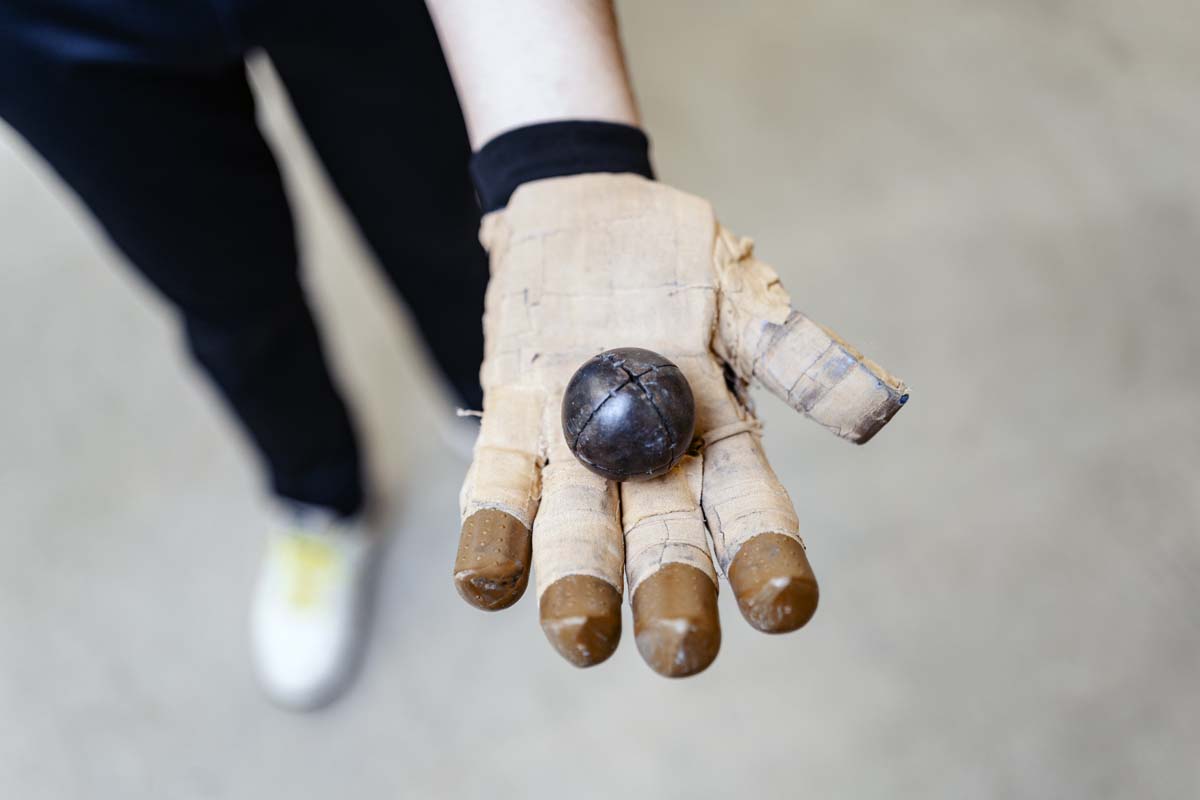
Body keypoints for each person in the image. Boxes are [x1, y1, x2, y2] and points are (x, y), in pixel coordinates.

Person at [0, 0, 906, 709]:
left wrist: (569, 156)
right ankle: (319, 498)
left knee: (470, 243)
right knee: (223, 292)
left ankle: (482, 406)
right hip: (49, 26)